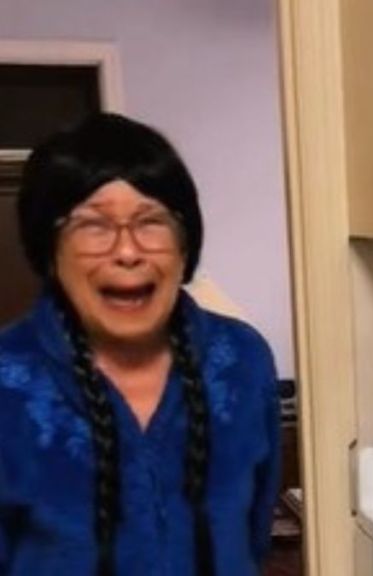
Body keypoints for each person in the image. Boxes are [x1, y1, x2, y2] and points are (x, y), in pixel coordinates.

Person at [0, 113, 281, 575]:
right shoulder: (9, 381)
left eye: (151, 222)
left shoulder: (243, 361)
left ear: (185, 246)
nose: (128, 252)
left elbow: (254, 536)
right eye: (94, 225)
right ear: (50, 253)